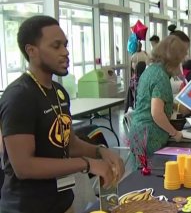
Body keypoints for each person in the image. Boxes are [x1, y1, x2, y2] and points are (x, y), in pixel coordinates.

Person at [0, 15, 124, 213]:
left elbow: (70, 144)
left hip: (62, 202)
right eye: (56, 46)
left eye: (65, 45)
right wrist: (87, 164)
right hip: (28, 207)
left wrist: (100, 151)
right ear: (32, 51)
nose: (65, 52)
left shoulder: (58, 92)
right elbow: (24, 167)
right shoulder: (19, 96)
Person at [129, 35, 188, 155]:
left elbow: (154, 100)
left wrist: (176, 107)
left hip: (140, 131)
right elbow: (156, 113)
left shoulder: (151, 70)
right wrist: (175, 133)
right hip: (150, 135)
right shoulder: (161, 76)